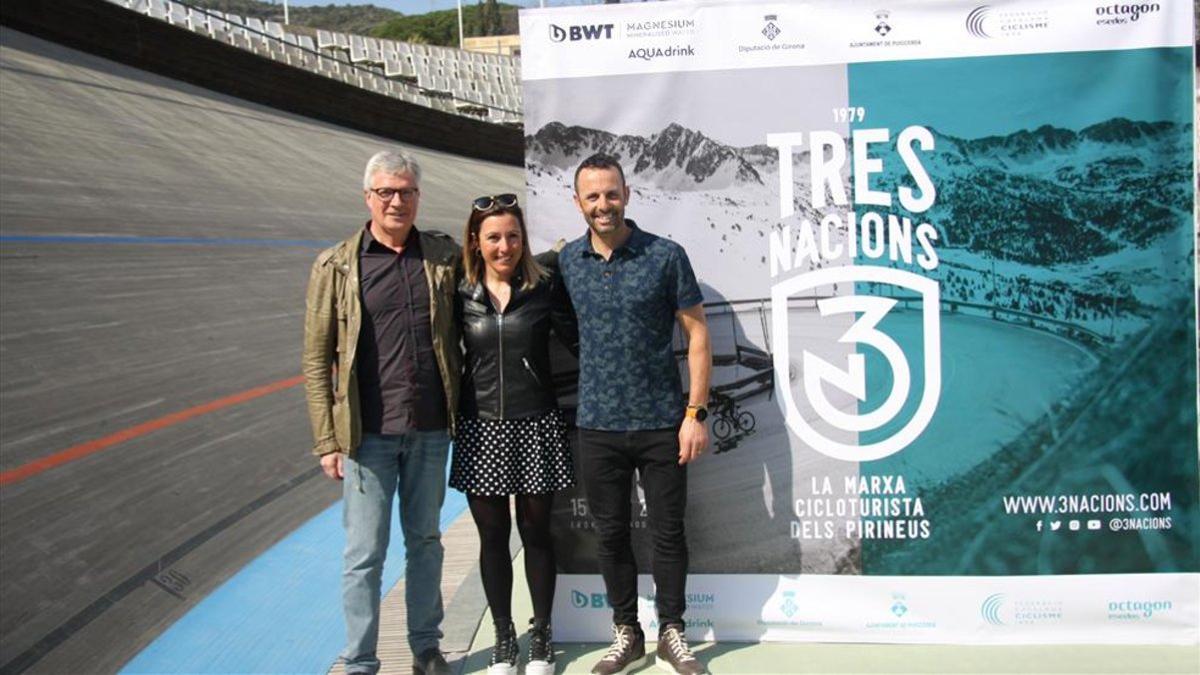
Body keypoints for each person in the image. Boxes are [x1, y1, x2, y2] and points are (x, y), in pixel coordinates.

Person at [302, 150, 459, 675]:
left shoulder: (441, 257)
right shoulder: (337, 265)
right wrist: (327, 439)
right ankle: (362, 661)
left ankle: (425, 649)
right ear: (368, 196)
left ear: (418, 197)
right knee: (364, 555)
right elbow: (315, 356)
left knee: (426, 543)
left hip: (431, 428)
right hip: (368, 436)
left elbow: (501, 267)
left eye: (407, 192)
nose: (397, 201)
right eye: (387, 192)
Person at [558, 154, 712, 675]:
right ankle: (628, 632)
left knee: (668, 533)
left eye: (611, 193)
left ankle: (673, 631)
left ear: (627, 194)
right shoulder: (566, 263)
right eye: (593, 196)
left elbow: (697, 336)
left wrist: (695, 413)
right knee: (611, 535)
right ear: (577, 203)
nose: (603, 204)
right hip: (597, 425)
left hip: (662, 423)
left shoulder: (666, 256)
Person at [451, 194, 578, 675]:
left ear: (523, 240)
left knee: (537, 533)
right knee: (492, 537)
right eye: (493, 238)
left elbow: (579, 341)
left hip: (536, 423)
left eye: (512, 236)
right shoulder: (460, 292)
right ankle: (505, 638)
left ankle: (542, 634)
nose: (504, 247)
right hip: (480, 425)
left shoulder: (543, 287)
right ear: (476, 242)